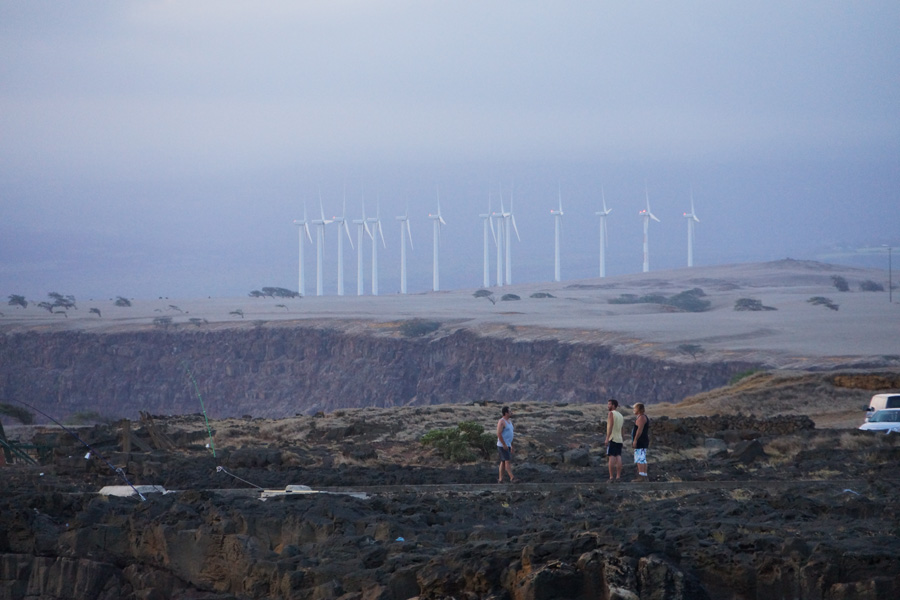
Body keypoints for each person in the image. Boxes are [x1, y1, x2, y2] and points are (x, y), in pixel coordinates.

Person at [603, 398, 624, 481]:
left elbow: (610, 426)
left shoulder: (611, 413)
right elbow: (622, 428)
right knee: (618, 456)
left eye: (609, 404)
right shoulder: (620, 415)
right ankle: (618, 476)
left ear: (613, 405)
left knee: (611, 456)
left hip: (613, 438)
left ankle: (611, 477)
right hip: (619, 439)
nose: (608, 406)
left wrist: (607, 438)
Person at [631, 402, 650, 481]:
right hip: (642, 440)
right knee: (642, 458)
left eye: (635, 408)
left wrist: (635, 440)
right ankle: (644, 475)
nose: (634, 410)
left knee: (640, 458)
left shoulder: (641, 418)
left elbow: (639, 430)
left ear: (639, 409)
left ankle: (642, 475)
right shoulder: (640, 417)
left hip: (641, 440)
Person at [496, 406, 516, 483]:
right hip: (502, 445)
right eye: (510, 411)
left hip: (507, 444)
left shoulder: (509, 422)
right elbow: (499, 433)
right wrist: (504, 444)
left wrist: (510, 445)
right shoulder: (501, 421)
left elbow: (509, 434)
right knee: (507, 461)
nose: (511, 413)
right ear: (506, 413)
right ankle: (512, 477)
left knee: (503, 461)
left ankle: (500, 479)